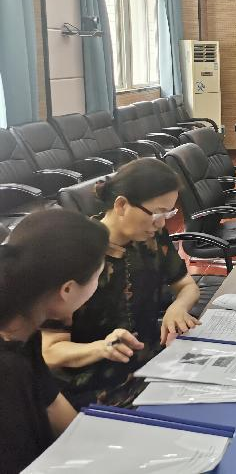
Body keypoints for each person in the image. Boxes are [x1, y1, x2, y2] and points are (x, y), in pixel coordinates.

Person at [42, 158, 201, 408]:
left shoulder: (152, 237)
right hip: (95, 388)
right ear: (122, 205)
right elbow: (49, 351)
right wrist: (101, 348)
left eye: (168, 213)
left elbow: (187, 285)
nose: (162, 223)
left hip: (151, 368)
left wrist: (178, 307)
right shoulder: (75, 256)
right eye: (157, 213)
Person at [0, 209, 110, 472]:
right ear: (67, 289)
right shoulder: (8, 370)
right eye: (98, 276)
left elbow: (53, 405)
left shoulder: (23, 334)